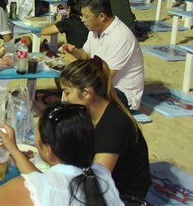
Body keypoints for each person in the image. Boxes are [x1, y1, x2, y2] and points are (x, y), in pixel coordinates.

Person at [60, 59, 151, 198]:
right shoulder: (90, 112)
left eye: (67, 93)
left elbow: (97, 182)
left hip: (125, 194)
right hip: (108, 182)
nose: (64, 99)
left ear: (86, 93)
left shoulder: (113, 126)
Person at [60, 0, 144, 110]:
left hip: (120, 92)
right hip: (103, 85)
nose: (82, 20)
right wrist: (74, 51)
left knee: (77, 95)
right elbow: (86, 54)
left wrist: (74, 62)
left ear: (102, 17)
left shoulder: (120, 37)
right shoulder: (94, 30)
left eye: (86, 16)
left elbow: (103, 78)